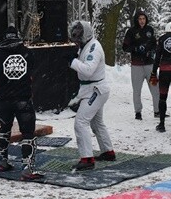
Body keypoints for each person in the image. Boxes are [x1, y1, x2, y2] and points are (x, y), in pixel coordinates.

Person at [0, 26, 43, 181]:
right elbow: (31, 72)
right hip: (23, 99)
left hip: (4, 99)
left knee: (4, 129)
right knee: (28, 133)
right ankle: (27, 168)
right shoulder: (27, 52)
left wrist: (3, 86)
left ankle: (2, 161)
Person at [68, 20, 115, 170]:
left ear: (85, 35)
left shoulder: (94, 48)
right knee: (96, 123)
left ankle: (87, 159)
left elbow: (88, 70)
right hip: (92, 88)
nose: (76, 41)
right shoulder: (86, 46)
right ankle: (108, 152)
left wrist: (72, 61)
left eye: (78, 37)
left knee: (81, 122)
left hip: (95, 90)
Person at [121, 9, 159, 121]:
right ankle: (138, 112)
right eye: (140, 19)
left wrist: (152, 51)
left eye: (144, 19)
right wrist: (136, 48)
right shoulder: (131, 31)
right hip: (137, 65)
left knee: (155, 88)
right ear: (136, 20)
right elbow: (125, 47)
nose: (142, 21)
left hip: (149, 64)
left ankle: (157, 110)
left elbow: (154, 44)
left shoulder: (150, 30)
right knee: (137, 90)